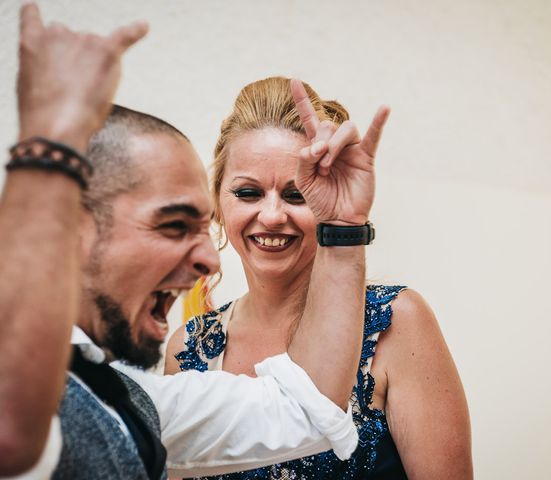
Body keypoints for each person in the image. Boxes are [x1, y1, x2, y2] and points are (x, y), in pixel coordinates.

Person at [0, 4, 389, 479]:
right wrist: (49, 145)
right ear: (73, 228)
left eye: (203, 226)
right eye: (173, 225)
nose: (209, 259)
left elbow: (306, 409)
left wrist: (345, 227)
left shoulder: (132, 401)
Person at [166, 77, 473, 479]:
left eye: (297, 195)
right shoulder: (189, 348)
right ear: (218, 205)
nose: (273, 215)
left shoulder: (396, 322)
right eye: (247, 193)